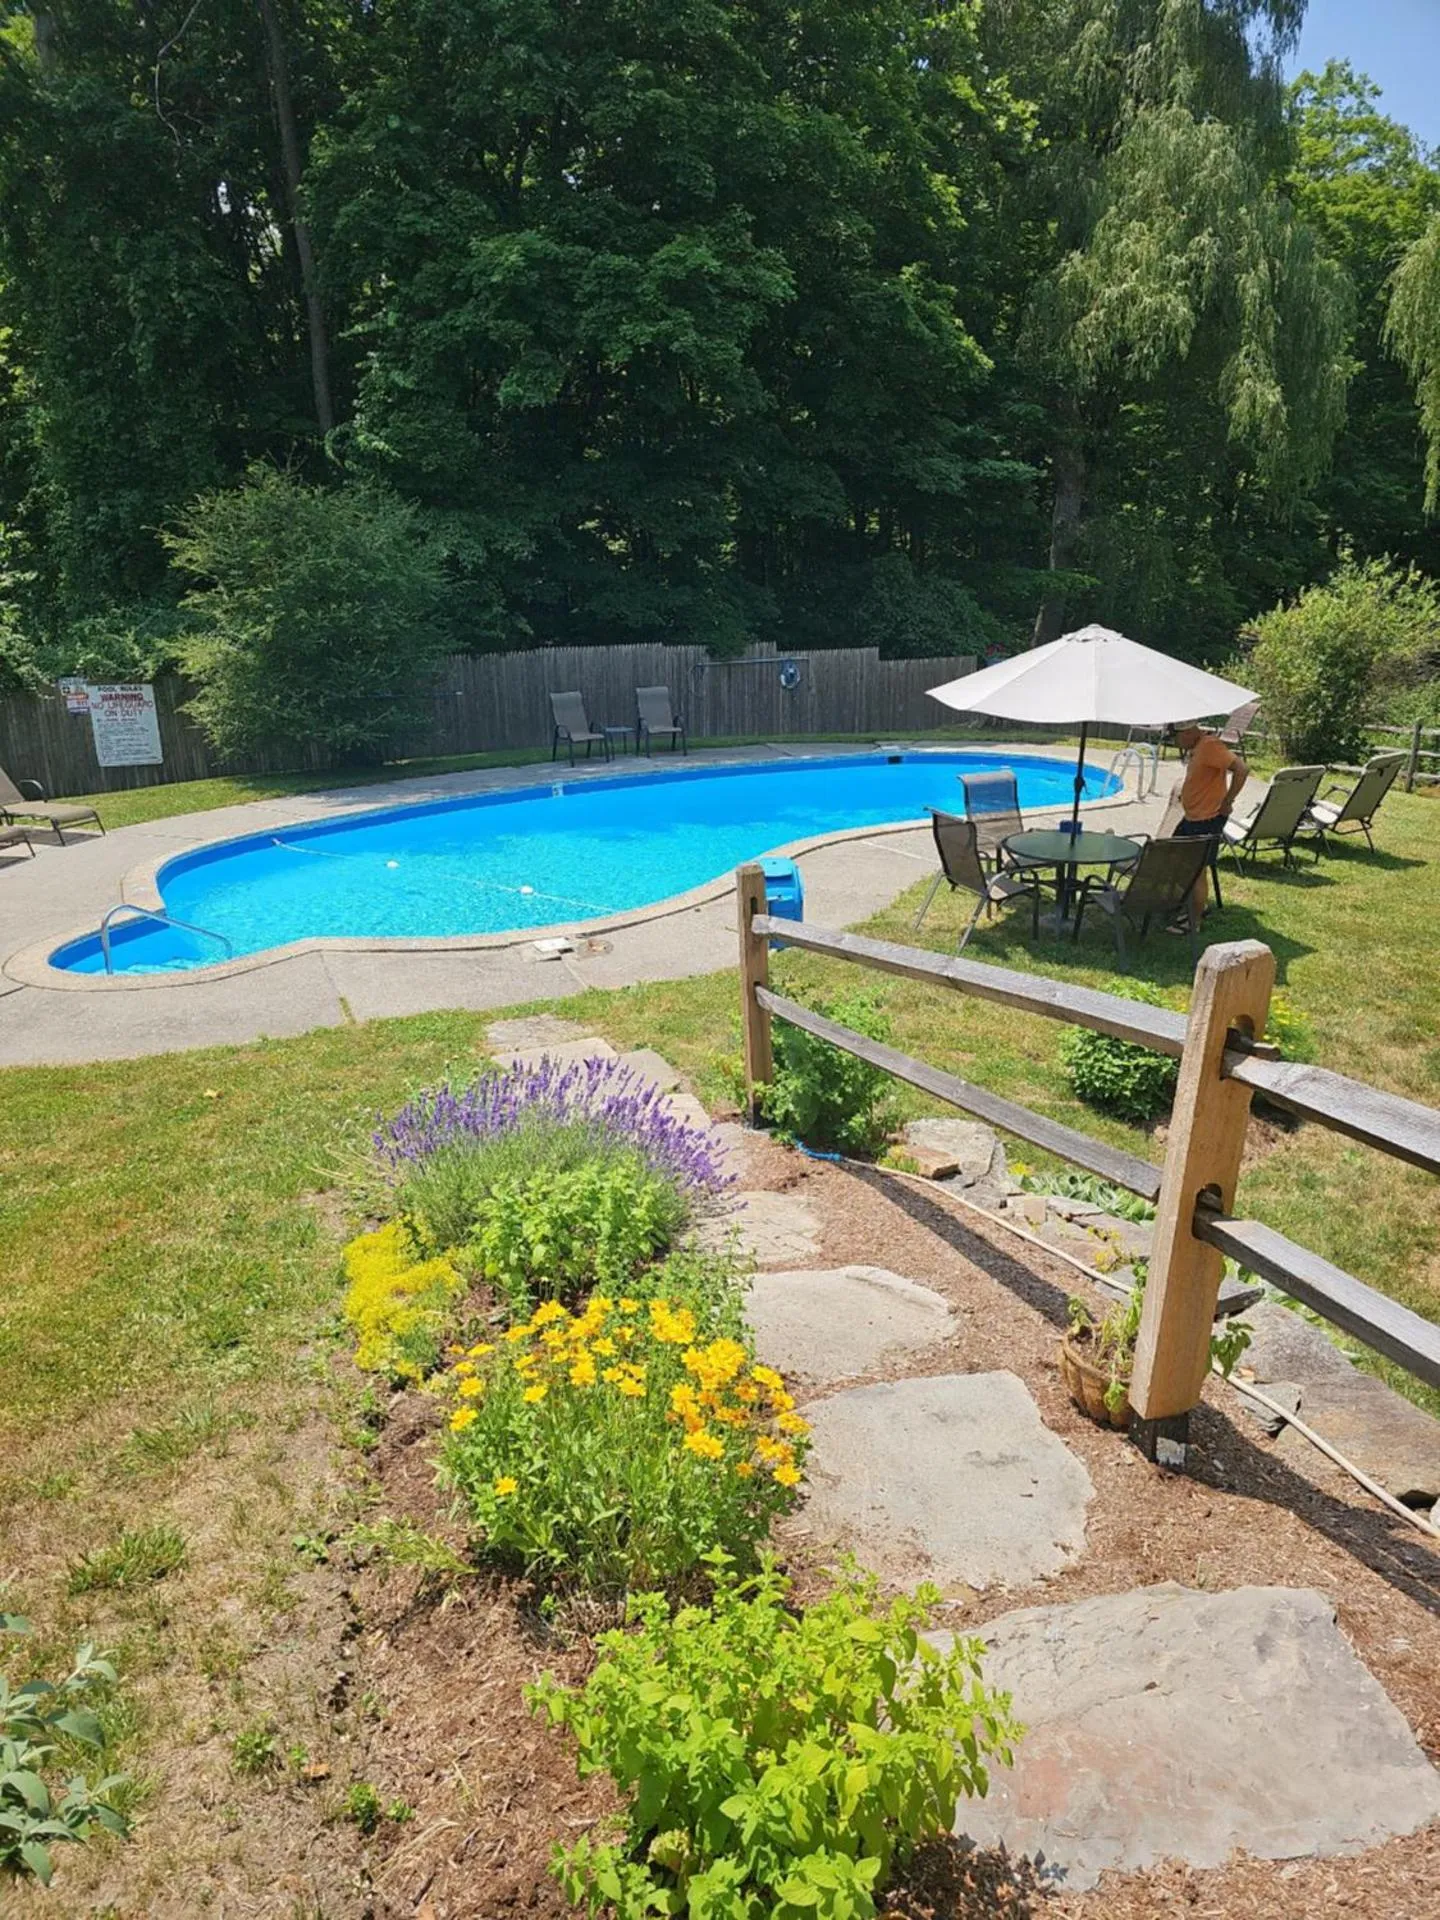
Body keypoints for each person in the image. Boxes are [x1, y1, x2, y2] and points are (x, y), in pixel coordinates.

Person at [1164, 721, 1248, 931]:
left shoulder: (1210, 746)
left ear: (1188, 732)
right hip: (1192, 817)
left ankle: (1194, 921)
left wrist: (1228, 801)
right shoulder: (1198, 747)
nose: (1176, 743)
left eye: (1176, 738)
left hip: (1207, 819)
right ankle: (1196, 904)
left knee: (1196, 869)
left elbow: (1242, 769)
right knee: (1173, 856)